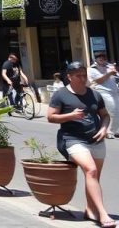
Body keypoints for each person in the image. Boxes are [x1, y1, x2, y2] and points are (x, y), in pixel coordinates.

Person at [47, 62, 113, 227]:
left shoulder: (94, 95)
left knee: (93, 176)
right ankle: (102, 214)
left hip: (96, 139)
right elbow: (50, 117)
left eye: (84, 75)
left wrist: (104, 128)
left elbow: (105, 115)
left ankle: (90, 211)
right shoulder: (60, 95)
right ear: (69, 77)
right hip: (72, 139)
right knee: (91, 170)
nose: (83, 79)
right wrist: (69, 116)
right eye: (79, 76)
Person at [88, 52, 119, 139]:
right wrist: (109, 73)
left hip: (114, 91)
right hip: (103, 92)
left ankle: (114, 130)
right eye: (99, 57)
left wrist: (114, 71)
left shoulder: (109, 66)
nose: (101, 58)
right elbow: (99, 81)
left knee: (116, 111)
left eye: (103, 57)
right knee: (113, 111)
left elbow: (116, 77)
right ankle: (109, 132)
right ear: (95, 59)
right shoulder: (91, 69)